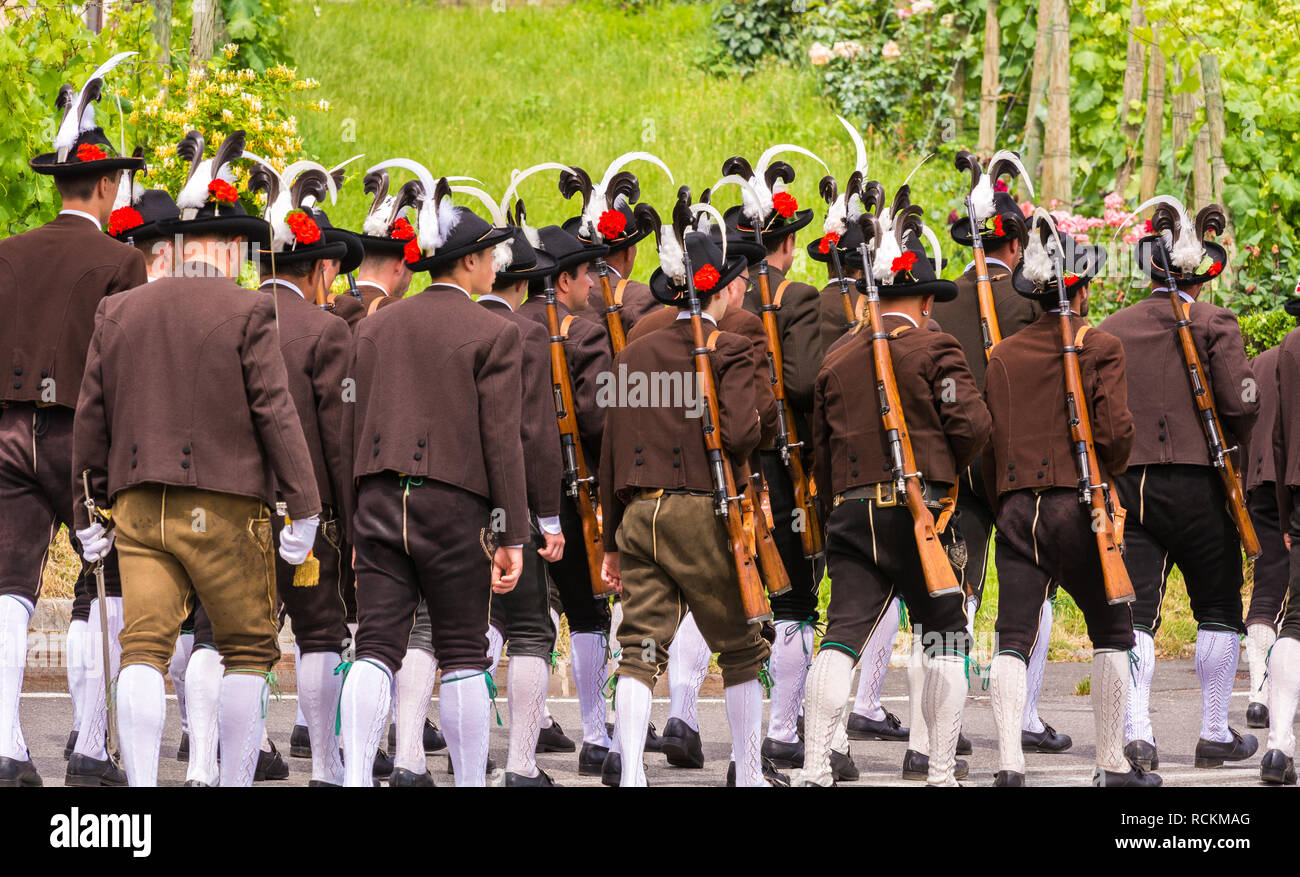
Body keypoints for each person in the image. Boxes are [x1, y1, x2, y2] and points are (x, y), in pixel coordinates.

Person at [73, 129, 324, 787]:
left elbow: (89, 419)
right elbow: (276, 412)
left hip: (139, 507)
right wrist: (305, 506)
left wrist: (87, 508)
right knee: (244, 651)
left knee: (143, 650)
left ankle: (142, 791)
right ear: (217, 248)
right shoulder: (247, 310)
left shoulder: (117, 311)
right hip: (228, 505)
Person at [337, 170, 526, 787]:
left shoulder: (374, 325)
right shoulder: (496, 332)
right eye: (490, 255)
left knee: (376, 648)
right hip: (455, 509)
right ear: (468, 262)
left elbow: (351, 428)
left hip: (378, 500)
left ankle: (359, 777)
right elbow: (503, 444)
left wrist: (352, 515)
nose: (498, 263)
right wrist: (512, 535)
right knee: (466, 653)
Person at [794, 222, 989, 787]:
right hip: (921, 513)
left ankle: (813, 767)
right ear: (926, 300)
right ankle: (942, 771)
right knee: (947, 638)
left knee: (839, 639)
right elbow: (973, 424)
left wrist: (839, 511)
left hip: (853, 515)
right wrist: (950, 466)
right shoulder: (936, 345)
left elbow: (823, 457)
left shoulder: (837, 356)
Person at [0, 64, 147, 787]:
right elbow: (121, 372)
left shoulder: (8, 251)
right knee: (108, 581)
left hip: (5, 432)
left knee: (7, 589)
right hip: (80, 437)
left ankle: (5, 744)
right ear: (108, 187)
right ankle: (92, 746)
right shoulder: (125, 261)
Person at [600, 229, 773, 786]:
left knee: (638, 651)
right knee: (743, 651)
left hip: (638, 518)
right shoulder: (731, 347)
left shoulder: (633, 353)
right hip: (703, 514)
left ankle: (631, 775)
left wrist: (608, 544)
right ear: (720, 290)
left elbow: (610, 453)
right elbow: (745, 434)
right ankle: (747, 773)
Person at [985, 224, 1154, 786]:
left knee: (1012, 637)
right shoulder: (1100, 345)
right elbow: (1115, 437)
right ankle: (1110, 765)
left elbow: (990, 445)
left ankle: (1009, 763)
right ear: (1079, 292)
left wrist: (1004, 504)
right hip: (1079, 507)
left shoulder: (1002, 355)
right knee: (1113, 631)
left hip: (1014, 511)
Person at [1098, 199, 1258, 771]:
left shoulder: (1110, 329)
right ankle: (1214, 731)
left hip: (1132, 486)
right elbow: (1242, 406)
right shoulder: (1214, 323)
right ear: (1201, 271)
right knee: (1217, 607)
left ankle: (1139, 732)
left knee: (1137, 613)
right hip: (1200, 485)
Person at [251, 164, 361, 786]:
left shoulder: (233, 315)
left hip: (237, 504)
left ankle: (223, 763)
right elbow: (338, 439)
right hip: (309, 507)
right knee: (320, 632)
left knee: (231, 638)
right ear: (319, 269)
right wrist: (347, 520)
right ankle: (324, 763)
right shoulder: (328, 330)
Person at [722, 167, 825, 772]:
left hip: (730, 462)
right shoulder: (798, 297)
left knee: (726, 592)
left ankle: (683, 712)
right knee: (792, 599)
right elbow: (806, 381)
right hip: (780, 463)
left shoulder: (726, 300)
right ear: (786, 243)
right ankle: (784, 728)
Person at [518, 225, 619, 775]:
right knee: (586, 613)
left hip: (504, 488)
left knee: (496, 619)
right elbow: (601, 419)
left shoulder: (503, 323)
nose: (593, 284)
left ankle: (517, 740)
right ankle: (596, 735)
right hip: (569, 486)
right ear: (561, 280)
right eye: (586, 274)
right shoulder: (583, 333)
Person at [476, 223, 568, 786]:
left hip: (454, 500)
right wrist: (548, 516)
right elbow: (534, 431)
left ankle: (466, 750)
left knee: (468, 629)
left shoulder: (449, 324)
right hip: (513, 502)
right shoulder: (528, 333)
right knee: (532, 630)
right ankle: (521, 764)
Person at [1240, 298, 1299, 732]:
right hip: (1291, 485)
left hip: (1260, 480)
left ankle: (1258, 695)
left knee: (1266, 591)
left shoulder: (1258, 363)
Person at [1261, 289, 1300, 784]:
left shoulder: (1290, 347)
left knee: (1295, 621)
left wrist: (1289, 516)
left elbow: (1279, 438)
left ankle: (1277, 748)